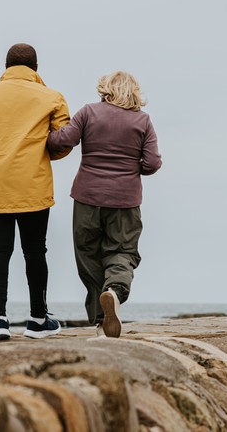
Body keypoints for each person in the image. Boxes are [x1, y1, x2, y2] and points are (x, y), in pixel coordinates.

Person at [0, 43, 73, 342]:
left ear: (6, 67)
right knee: (35, 251)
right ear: (36, 68)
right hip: (34, 183)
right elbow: (64, 141)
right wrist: (41, 157)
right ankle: (38, 319)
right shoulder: (52, 97)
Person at [47, 70, 162, 338]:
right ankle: (114, 291)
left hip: (87, 197)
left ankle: (101, 322)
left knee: (89, 255)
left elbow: (63, 140)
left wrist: (44, 134)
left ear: (105, 89)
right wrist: (131, 170)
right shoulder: (143, 120)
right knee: (122, 251)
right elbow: (152, 163)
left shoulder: (88, 112)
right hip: (125, 200)